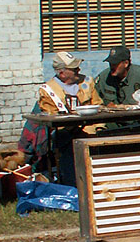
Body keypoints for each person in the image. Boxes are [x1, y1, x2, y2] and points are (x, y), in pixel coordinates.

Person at [32, 51, 104, 185]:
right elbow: (52, 118)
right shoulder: (47, 90)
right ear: (62, 73)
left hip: (91, 131)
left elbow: (98, 105)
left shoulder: (87, 82)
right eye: (74, 69)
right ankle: (73, 186)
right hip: (65, 134)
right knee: (67, 146)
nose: (78, 70)